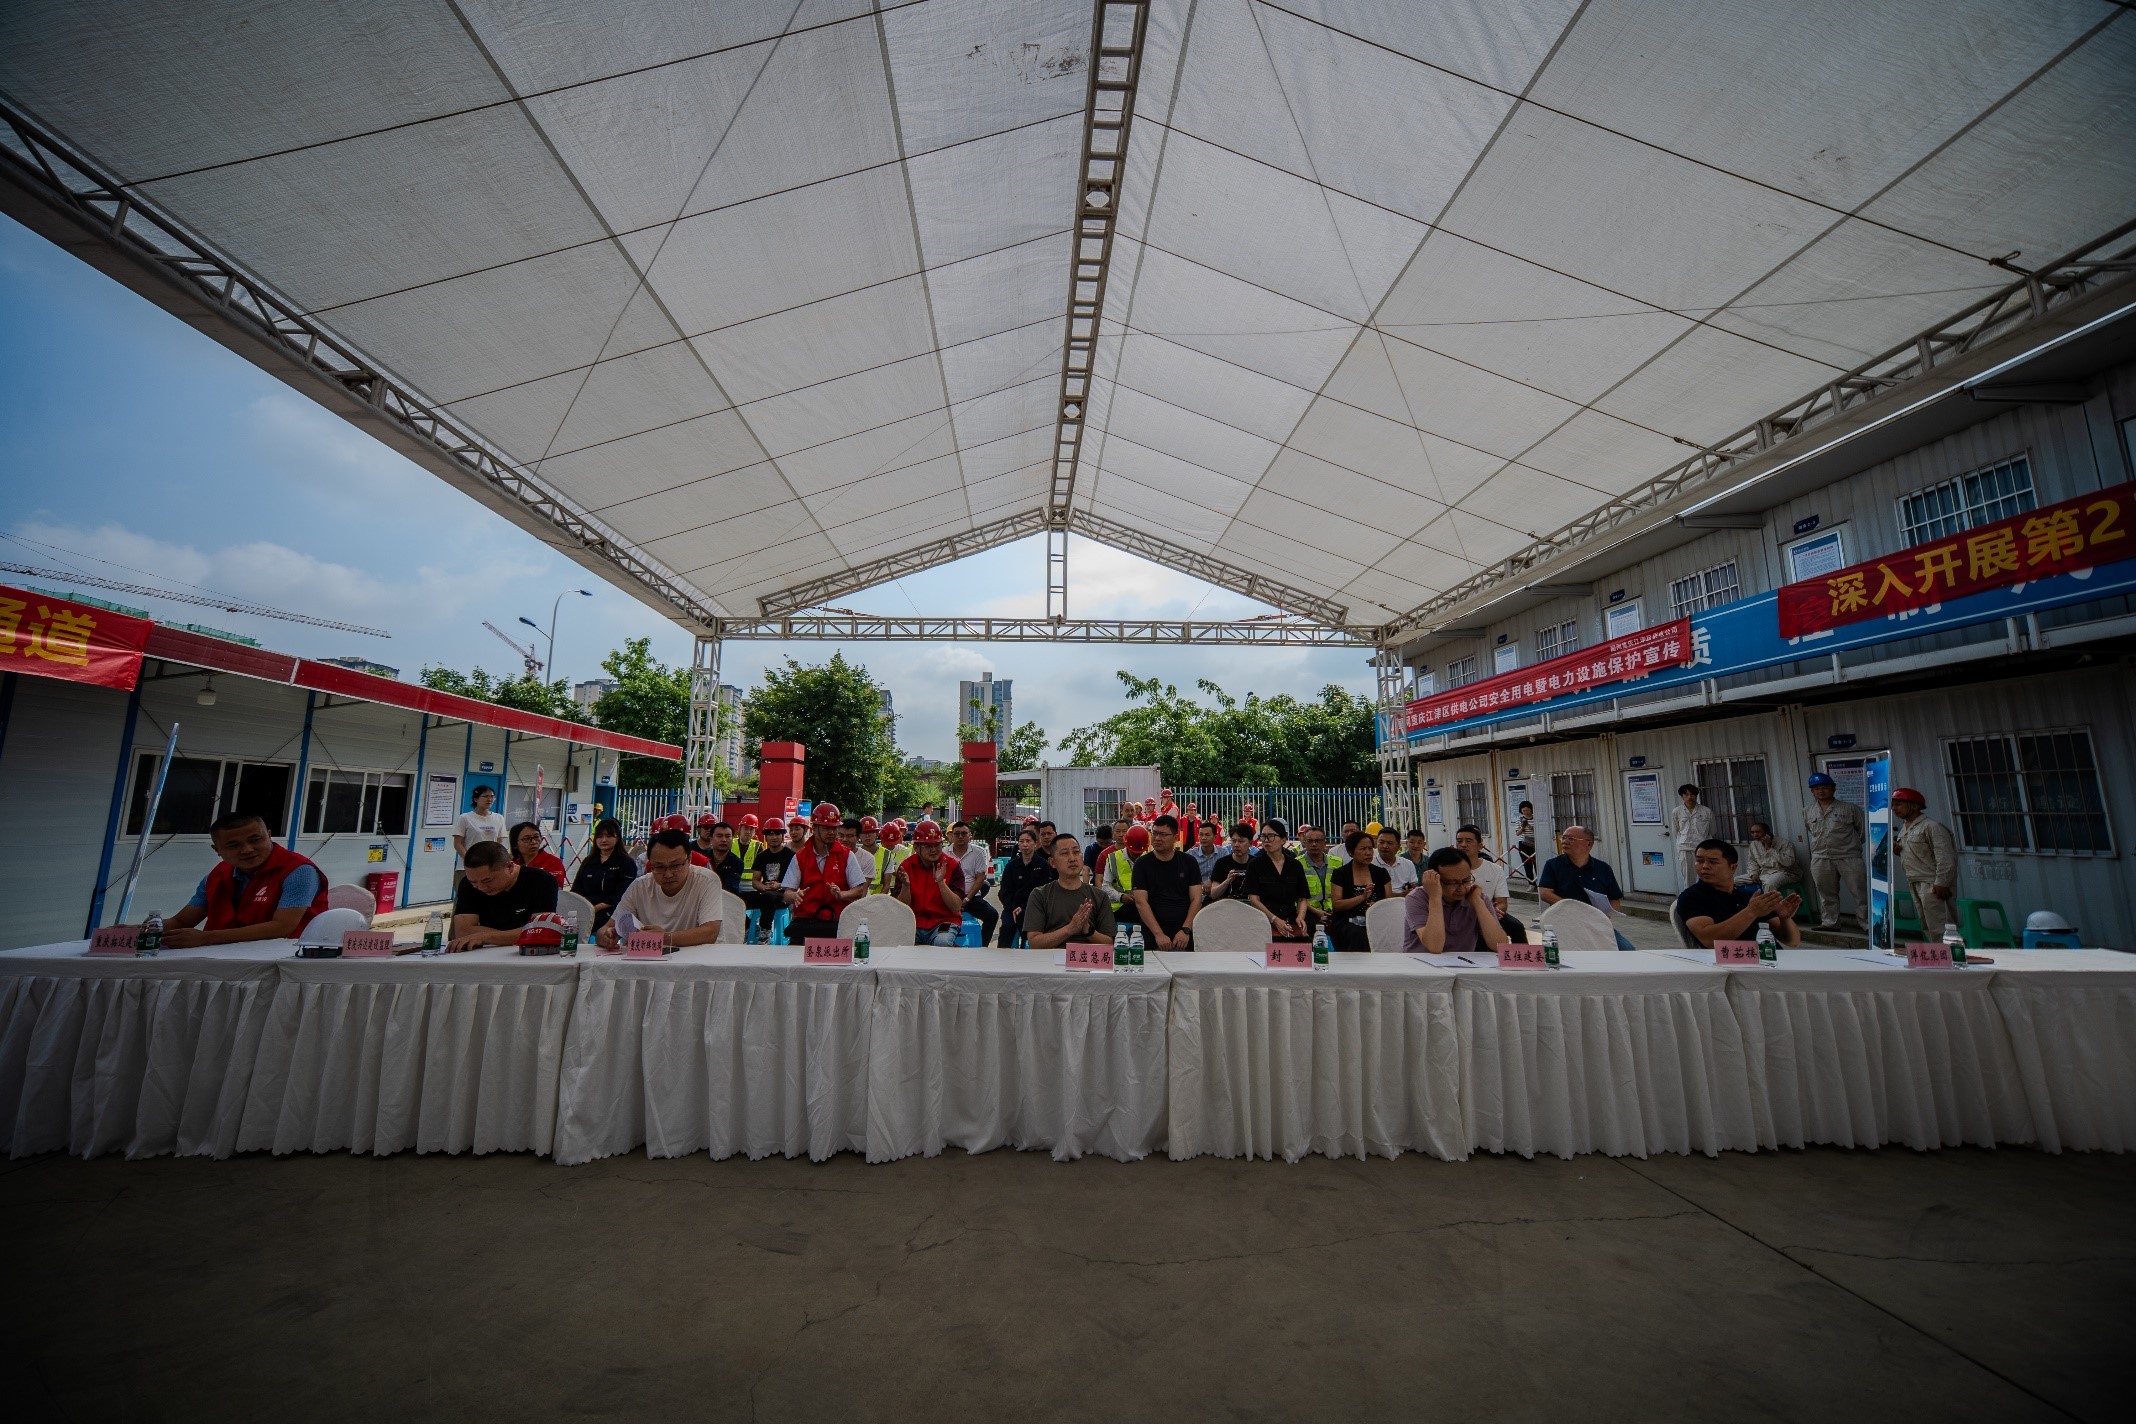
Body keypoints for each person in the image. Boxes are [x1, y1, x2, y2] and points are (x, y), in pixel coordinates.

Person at [162, 812, 329, 947]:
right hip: (221, 955)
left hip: (283, 955)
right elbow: (181, 921)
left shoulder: (299, 871)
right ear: (217, 849)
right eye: (234, 845)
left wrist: (206, 938)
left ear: (269, 835)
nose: (247, 850)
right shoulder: (216, 876)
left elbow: (282, 927)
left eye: (255, 840)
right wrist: (150, 929)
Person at [599, 829, 727, 950]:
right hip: (652, 962)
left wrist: (663, 938)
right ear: (651, 865)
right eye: (659, 867)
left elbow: (710, 932)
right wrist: (607, 936)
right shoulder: (639, 887)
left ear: (689, 860)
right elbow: (606, 928)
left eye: (676, 865)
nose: (668, 874)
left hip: (700, 958)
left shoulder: (707, 881)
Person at [1675, 839, 1803, 949]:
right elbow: (1709, 940)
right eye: (1699, 861)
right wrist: (1750, 912)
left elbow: (1792, 941)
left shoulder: (1749, 896)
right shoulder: (1692, 897)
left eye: (1713, 862)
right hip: (1733, 963)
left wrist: (1785, 919)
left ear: (1733, 867)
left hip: (1768, 959)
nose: (1704, 866)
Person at [1537, 825, 1636, 952]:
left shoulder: (1603, 868)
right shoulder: (1553, 865)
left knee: (1627, 950)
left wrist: (1605, 914)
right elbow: (1545, 893)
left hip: (1594, 921)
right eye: (1564, 838)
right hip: (1565, 920)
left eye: (1571, 839)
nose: (1565, 841)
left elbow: (1615, 900)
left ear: (1588, 844)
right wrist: (1575, 908)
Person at [447, 839, 559, 951]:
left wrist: (484, 937)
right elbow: (463, 932)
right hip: (487, 953)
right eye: (474, 882)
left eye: (487, 881)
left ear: (510, 867)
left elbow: (540, 931)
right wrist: (513, 935)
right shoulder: (467, 884)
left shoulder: (542, 880)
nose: (481, 887)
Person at [781, 802, 869, 941]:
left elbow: (859, 890)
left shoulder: (847, 855)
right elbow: (787, 894)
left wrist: (842, 895)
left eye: (834, 828)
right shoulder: (800, 857)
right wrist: (795, 895)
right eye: (826, 828)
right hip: (806, 921)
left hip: (838, 920)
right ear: (814, 829)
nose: (832, 833)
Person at [1405, 847, 1510, 955]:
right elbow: (1435, 947)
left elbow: (1500, 945)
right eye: (1452, 883)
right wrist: (1435, 897)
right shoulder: (1416, 898)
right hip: (1420, 963)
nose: (1461, 888)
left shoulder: (1477, 896)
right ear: (1434, 878)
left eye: (1466, 880)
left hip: (1462, 963)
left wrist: (1477, 902)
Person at [1023, 833, 1119, 948]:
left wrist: (1087, 931)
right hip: (1051, 958)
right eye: (1065, 853)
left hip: (1087, 957)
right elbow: (1034, 942)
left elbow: (1109, 943)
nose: (1072, 858)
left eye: (1076, 852)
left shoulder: (1100, 896)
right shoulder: (1040, 895)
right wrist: (1070, 929)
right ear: (1052, 862)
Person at [1891, 787, 1960, 938]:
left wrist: (1942, 882)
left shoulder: (1932, 826)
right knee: (1928, 926)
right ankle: (1938, 952)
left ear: (1915, 806)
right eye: (1893, 804)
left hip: (1932, 885)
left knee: (1941, 928)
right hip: (1915, 881)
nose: (1894, 808)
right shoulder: (1905, 828)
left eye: (1899, 804)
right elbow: (1917, 853)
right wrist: (1898, 850)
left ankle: (1950, 952)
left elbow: (1945, 857)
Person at [1130, 813, 1204, 950]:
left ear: (1175, 838)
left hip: (1184, 929)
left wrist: (1186, 930)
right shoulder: (1142, 864)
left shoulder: (1189, 862)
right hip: (1152, 930)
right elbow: (1141, 902)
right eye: (1155, 833)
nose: (1157, 838)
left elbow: (1196, 899)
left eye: (1163, 834)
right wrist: (1158, 934)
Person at [1804, 772, 1867, 929]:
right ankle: (1830, 923)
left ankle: (1868, 924)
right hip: (1821, 857)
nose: (1821, 791)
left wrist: (1850, 846)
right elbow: (1811, 831)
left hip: (1849, 856)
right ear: (1812, 791)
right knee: (1826, 894)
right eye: (1817, 788)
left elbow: (1862, 832)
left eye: (1825, 787)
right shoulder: (1808, 811)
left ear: (1833, 789)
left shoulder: (1850, 809)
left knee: (1860, 893)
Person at [891, 820, 968, 945]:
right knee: (900, 943)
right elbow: (900, 909)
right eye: (928, 846)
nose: (933, 850)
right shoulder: (906, 866)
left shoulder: (952, 865)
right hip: (913, 922)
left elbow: (955, 907)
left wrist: (941, 883)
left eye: (937, 845)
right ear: (916, 848)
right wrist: (906, 886)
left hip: (944, 920)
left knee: (942, 943)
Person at [1244, 819, 1312, 942]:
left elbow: (1302, 898)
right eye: (1263, 836)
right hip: (1264, 921)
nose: (1266, 840)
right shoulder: (1254, 865)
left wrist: (1300, 917)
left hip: (1291, 920)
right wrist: (1274, 919)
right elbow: (1254, 899)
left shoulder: (1295, 865)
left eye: (1271, 836)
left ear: (1283, 839)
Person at [1326, 832, 1391, 951]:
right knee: (1357, 934)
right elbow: (1337, 905)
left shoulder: (1381, 873)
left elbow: (1389, 902)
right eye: (1363, 849)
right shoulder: (1340, 873)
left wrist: (1376, 907)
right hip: (1347, 922)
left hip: (1377, 920)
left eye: (1370, 848)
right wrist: (1362, 897)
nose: (1368, 853)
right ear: (1351, 852)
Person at [570, 816, 636, 931]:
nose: (604, 840)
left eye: (609, 836)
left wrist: (597, 907)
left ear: (617, 838)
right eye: (600, 836)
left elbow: (623, 894)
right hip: (586, 909)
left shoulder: (626, 863)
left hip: (613, 911)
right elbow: (576, 890)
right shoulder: (588, 861)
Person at [997, 825, 1056, 946]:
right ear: (1018, 844)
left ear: (1035, 843)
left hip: (1034, 908)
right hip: (1012, 908)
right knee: (1007, 928)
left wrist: (1024, 907)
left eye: (1028, 841)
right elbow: (1004, 892)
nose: (1025, 844)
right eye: (1021, 841)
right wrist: (1014, 907)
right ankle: (1002, 955)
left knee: (1026, 924)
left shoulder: (1043, 865)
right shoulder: (1011, 866)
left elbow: (1045, 891)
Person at [744, 817, 794, 941]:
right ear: (766, 837)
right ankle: (748, 927)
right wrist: (763, 887)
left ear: (782, 836)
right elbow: (755, 880)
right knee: (737, 897)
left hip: (783, 895)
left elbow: (796, 880)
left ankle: (765, 931)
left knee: (768, 897)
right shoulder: (762, 856)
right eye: (770, 834)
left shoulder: (791, 856)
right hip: (765, 893)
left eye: (777, 833)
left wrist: (780, 885)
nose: (774, 837)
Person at [949, 820, 1000, 944]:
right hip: (949, 898)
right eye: (957, 834)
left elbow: (980, 878)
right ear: (951, 836)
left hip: (971, 898)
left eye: (964, 833)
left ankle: (982, 947)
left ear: (970, 835)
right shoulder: (944, 853)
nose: (960, 836)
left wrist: (966, 900)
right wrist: (954, 901)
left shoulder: (978, 852)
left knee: (992, 915)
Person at [451, 785, 506, 887]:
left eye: (492, 796)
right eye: (485, 796)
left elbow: (499, 843)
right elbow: (458, 844)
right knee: (465, 895)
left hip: (490, 867)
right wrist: (470, 860)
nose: (489, 799)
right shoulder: (465, 818)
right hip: (467, 867)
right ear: (476, 799)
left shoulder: (499, 818)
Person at [1670, 784, 1715, 887]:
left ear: (1696, 795)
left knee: (1705, 875)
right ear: (1682, 796)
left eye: (1692, 794)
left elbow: (1712, 831)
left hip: (1703, 848)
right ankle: (1689, 896)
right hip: (1685, 848)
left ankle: (1705, 896)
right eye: (1686, 794)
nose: (1689, 797)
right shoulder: (1676, 812)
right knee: (1688, 877)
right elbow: (1675, 831)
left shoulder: (1706, 811)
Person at [1738, 822, 1802, 892]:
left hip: (1785, 873)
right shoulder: (1754, 844)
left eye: (1758, 832)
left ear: (1767, 833)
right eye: (1752, 832)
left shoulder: (1784, 843)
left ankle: (1768, 899)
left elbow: (1788, 862)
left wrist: (1770, 848)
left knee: (1769, 884)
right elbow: (1752, 862)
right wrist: (1754, 873)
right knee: (1736, 881)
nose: (1755, 835)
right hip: (1764, 873)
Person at [1297, 826, 1339, 931]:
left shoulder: (1338, 862)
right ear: (1305, 843)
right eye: (1310, 841)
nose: (1314, 844)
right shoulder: (1296, 864)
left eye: (1318, 841)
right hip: (1307, 913)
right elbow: (1296, 897)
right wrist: (1316, 912)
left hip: (1334, 911)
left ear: (1325, 843)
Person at [1205, 821, 1258, 900]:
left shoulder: (1256, 863)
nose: (1236, 845)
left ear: (1250, 843)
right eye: (1233, 841)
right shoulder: (1222, 863)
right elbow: (1214, 894)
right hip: (1226, 905)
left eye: (1241, 841)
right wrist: (1227, 881)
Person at [1103, 823, 1147, 918]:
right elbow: (1105, 886)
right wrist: (1120, 897)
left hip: (1144, 907)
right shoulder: (1113, 858)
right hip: (1119, 908)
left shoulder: (1149, 859)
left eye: (1139, 852)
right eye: (1133, 851)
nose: (1136, 855)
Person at [1365, 826, 1420, 893]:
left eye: (1389, 843)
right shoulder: (1369, 864)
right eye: (1381, 842)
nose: (1385, 846)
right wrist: (1403, 894)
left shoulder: (1408, 864)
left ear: (1398, 846)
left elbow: (1414, 887)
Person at [697, 820, 745, 895]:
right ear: (711, 839)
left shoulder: (738, 863)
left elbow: (730, 888)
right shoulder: (702, 859)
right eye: (719, 836)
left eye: (728, 836)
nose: (724, 840)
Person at [1515, 800, 1537, 881]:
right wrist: (1523, 827)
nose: (1526, 812)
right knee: (1527, 864)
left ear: (1531, 809)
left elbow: (1540, 831)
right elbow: (1517, 833)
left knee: (1537, 863)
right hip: (1524, 843)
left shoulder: (1536, 818)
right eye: (1523, 811)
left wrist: (1530, 827)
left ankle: (1540, 882)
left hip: (1535, 843)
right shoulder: (1519, 819)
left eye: (1527, 810)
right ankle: (1531, 883)